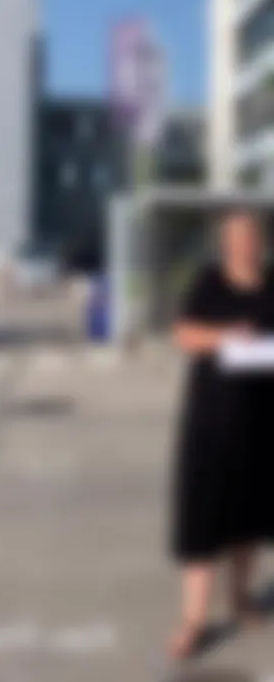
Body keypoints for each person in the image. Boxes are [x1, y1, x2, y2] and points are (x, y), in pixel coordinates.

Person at [168, 209, 274, 660]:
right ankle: (193, 622)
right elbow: (185, 336)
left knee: (248, 524)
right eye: (235, 238)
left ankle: (241, 598)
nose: (244, 245)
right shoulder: (208, 282)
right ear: (225, 244)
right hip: (212, 427)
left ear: (261, 242)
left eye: (250, 237)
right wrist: (230, 336)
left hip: (263, 427)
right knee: (203, 528)